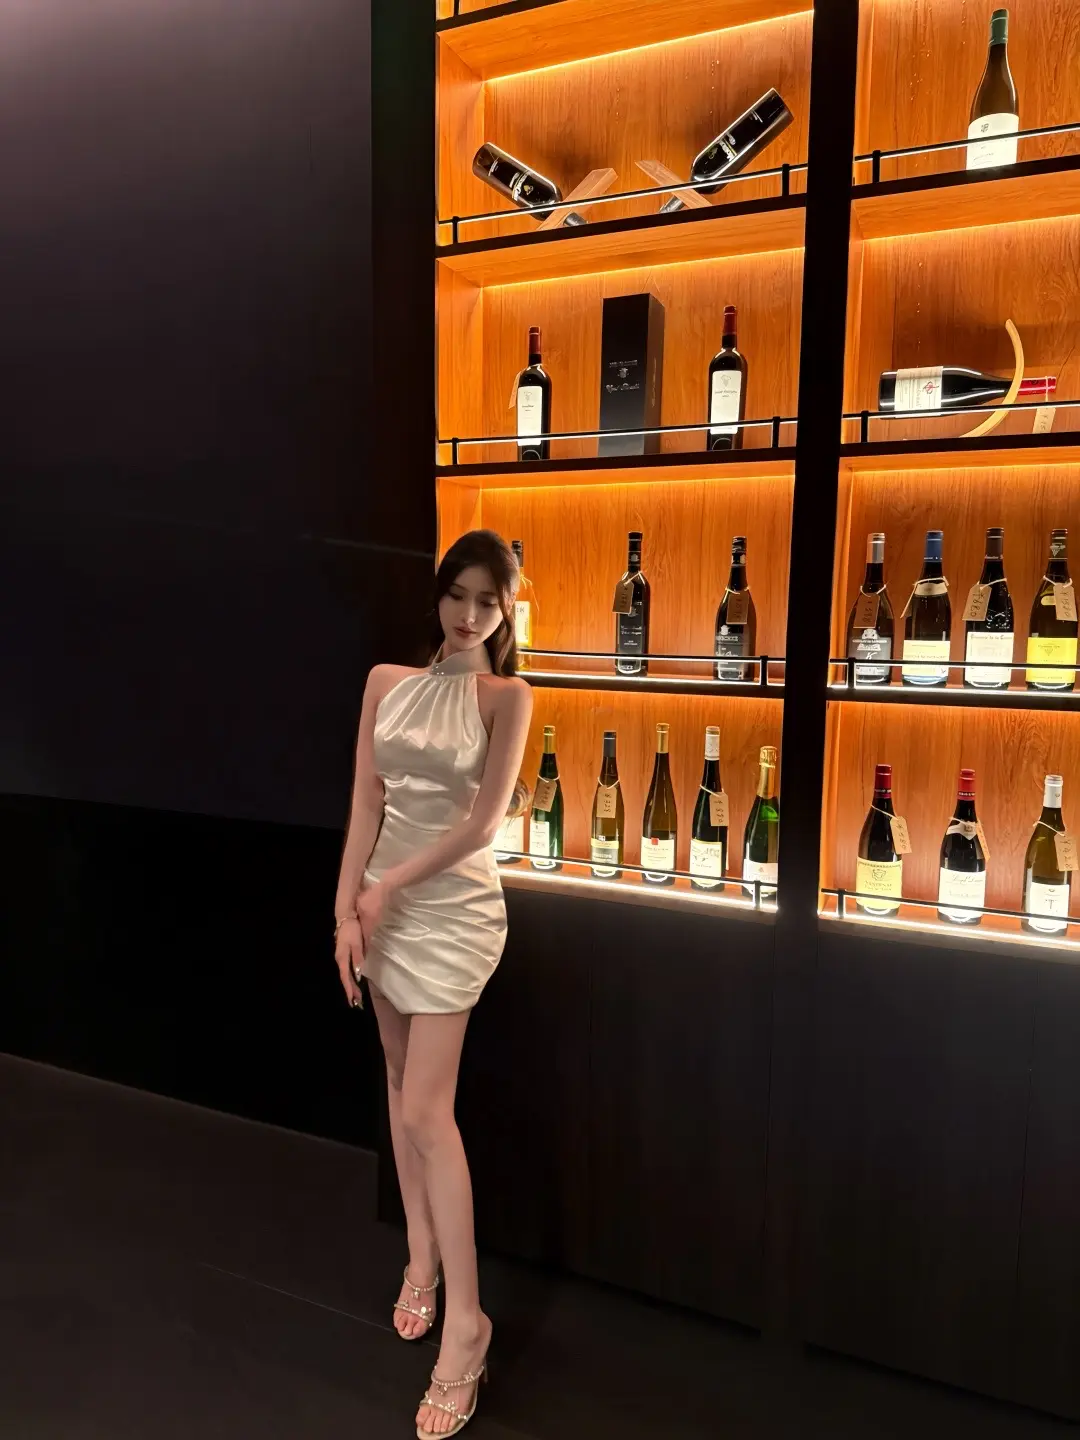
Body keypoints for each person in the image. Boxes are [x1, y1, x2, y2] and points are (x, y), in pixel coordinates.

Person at [333, 529, 532, 1438]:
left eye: (487, 601)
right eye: (457, 594)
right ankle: (421, 1259)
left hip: (450, 912)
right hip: (381, 906)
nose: (467, 614)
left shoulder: (508, 696)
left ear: (506, 611)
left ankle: (469, 1326)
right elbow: (365, 801)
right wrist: (346, 911)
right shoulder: (386, 682)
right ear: (439, 594)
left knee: (425, 1111)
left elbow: (484, 824)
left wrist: (388, 888)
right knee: (392, 1072)